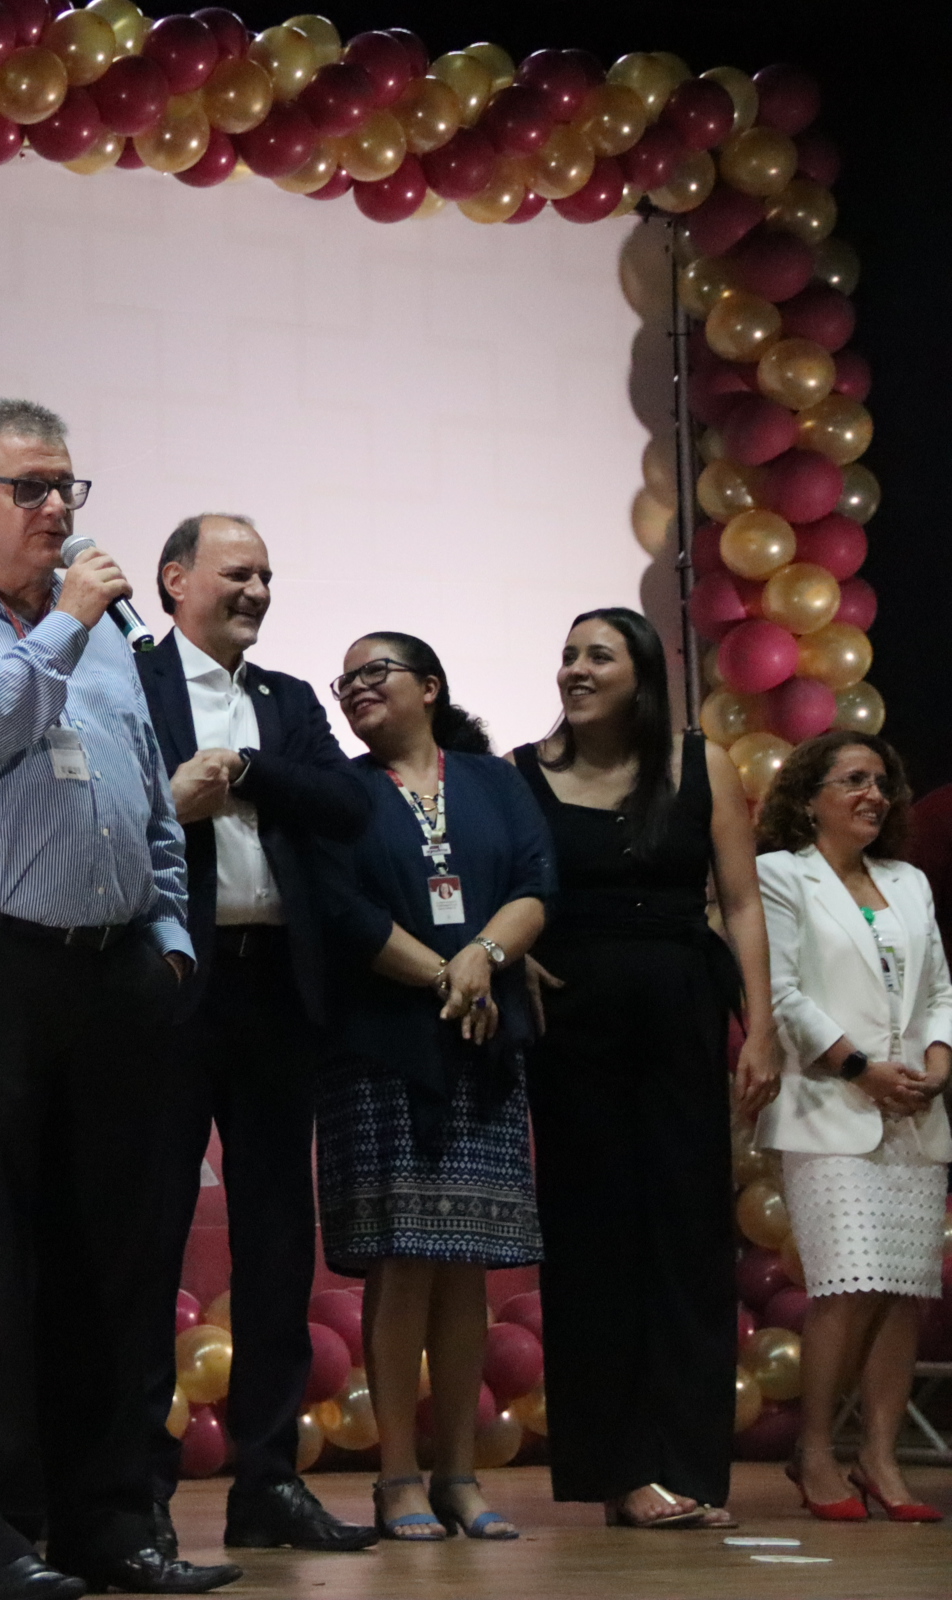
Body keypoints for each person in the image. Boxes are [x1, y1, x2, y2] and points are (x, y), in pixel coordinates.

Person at [0, 398, 239, 1600]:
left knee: (116, 1259)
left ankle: (111, 1523)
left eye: (67, 486)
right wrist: (66, 624)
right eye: (29, 487)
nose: (55, 509)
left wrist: (168, 937)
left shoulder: (111, 640)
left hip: (115, 973)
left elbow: (146, 798)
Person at [135, 515, 375, 1552]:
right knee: (146, 1237)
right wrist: (173, 797)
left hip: (278, 986)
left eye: (267, 576)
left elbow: (345, 804)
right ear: (175, 580)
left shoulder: (286, 699)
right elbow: (95, 811)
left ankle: (268, 1480)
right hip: (168, 986)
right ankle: (137, 1486)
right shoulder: (128, 680)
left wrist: (244, 769)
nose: (258, 592)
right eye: (238, 573)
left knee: (278, 1240)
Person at [512, 607, 777, 1529]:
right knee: (593, 1242)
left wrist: (761, 1027)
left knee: (688, 1235)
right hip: (573, 1025)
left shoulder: (701, 764)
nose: (575, 670)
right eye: (568, 655)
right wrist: (511, 956)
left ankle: (685, 1462)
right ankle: (620, 1467)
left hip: (679, 1014)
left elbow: (741, 903)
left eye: (598, 656)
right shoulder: (522, 772)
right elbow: (504, 890)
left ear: (645, 674)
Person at [310, 632, 552, 1544]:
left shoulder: (493, 780)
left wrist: (483, 957)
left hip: (483, 1041)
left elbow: (536, 882)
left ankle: (459, 1474)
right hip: (382, 1045)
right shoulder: (342, 790)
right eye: (345, 681)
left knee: (465, 1263)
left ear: (431, 686)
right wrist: (450, 978)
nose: (356, 689)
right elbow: (342, 910)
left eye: (375, 672)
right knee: (402, 1258)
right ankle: (397, 1479)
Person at [752, 731, 950, 1523]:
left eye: (882, 781)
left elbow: (939, 989)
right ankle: (815, 1453)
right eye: (855, 779)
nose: (875, 794)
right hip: (832, 1106)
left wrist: (938, 1063)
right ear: (811, 799)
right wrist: (861, 1067)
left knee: (903, 1292)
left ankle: (879, 1456)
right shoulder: (781, 874)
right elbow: (783, 993)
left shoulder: (908, 881)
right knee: (847, 1284)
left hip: (916, 1111)